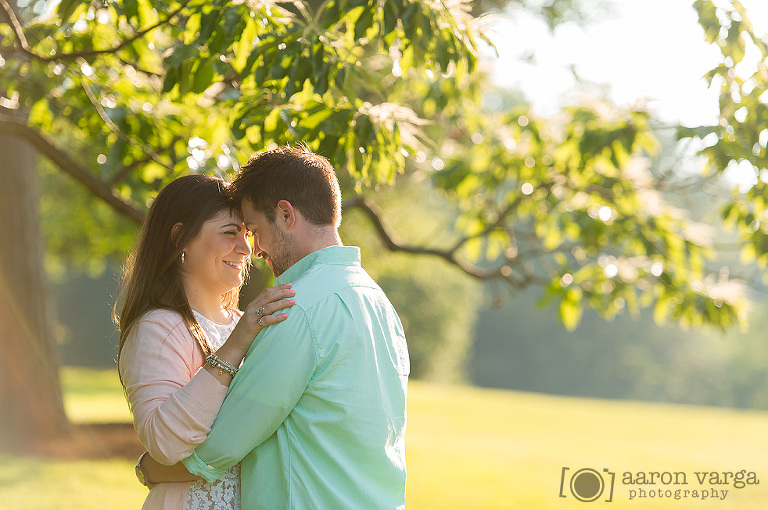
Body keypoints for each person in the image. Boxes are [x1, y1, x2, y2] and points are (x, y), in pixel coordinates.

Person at [177, 146, 410, 508]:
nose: (254, 250)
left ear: (285, 214)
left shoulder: (293, 306)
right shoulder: (378, 302)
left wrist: (152, 468)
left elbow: (223, 442)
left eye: (254, 230)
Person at [115, 174, 296, 509]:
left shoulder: (248, 323)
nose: (246, 249)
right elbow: (165, 443)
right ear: (180, 237)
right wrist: (236, 345)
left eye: (247, 235)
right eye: (230, 234)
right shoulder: (159, 327)